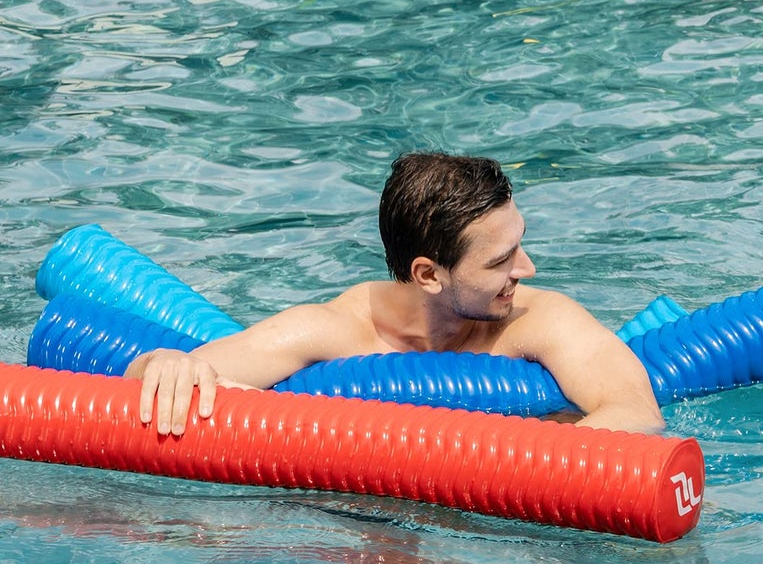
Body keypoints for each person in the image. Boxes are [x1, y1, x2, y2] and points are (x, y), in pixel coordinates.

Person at [126, 151, 666, 437]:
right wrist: (162, 362)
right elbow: (173, 380)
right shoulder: (338, 331)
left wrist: (520, 461)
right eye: (501, 260)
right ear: (429, 274)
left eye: (518, 245)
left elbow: (636, 410)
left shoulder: (535, 319)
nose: (527, 268)